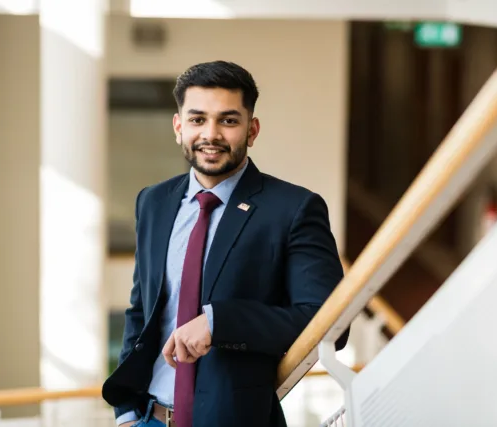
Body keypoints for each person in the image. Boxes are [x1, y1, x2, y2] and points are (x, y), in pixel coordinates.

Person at [101, 60, 348, 427]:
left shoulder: (294, 209)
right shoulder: (153, 202)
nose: (211, 134)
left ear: (252, 129)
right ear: (178, 126)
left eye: (228, 120)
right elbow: (142, 309)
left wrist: (220, 323)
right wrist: (125, 413)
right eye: (198, 119)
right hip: (150, 418)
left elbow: (331, 323)